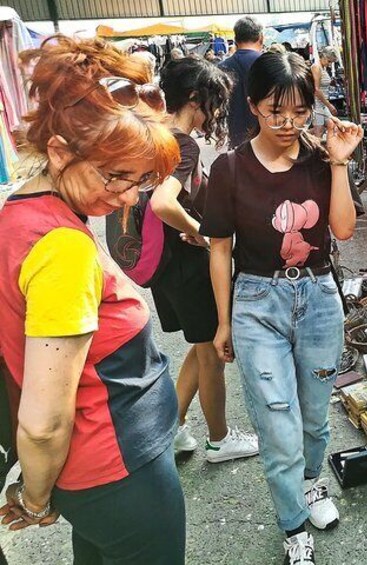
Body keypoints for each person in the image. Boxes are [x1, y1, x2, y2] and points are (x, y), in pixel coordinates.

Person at [0, 35, 185, 563]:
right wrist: (34, 500)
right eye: (115, 177)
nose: (128, 197)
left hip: (103, 472)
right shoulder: (61, 248)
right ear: (58, 152)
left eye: (142, 181)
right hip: (116, 471)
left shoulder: (24, 211)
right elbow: (42, 421)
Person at [201, 51, 362, 565]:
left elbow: (342, 230)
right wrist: (224, 320)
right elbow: (220, 248)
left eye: (299, 111)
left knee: (315, 418)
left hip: (316, 298)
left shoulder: (319, 158)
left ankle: (311, 485)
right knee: (277, 423)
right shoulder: (229, 168)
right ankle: (293, 525)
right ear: (252, 107)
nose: (288, 123)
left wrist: (339, 163)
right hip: (257, 304)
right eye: (276, 111)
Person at [153, 57, 259, 462]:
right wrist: (203, 233)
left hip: (162, 264)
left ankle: (173, 428)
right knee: (213, 353)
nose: (214, 113)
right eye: (213, 102)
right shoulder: (182, 142)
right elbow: (164, 202)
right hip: (186, 260)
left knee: (200, 348)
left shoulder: (152, 132)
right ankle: (220, 439)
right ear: (195, 97)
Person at [219, 16, 264, 148]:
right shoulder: (270, 64)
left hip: (236, 136)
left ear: (235, 40)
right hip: (268, 135)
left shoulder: (222, 67)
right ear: (261, 37)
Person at [310, 47, 339, 137]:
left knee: (331, 126)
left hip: (322, 105)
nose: (330, 64)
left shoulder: (322, 68)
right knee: (319, 131)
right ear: (324, 57)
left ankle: (301, 136)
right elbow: (316, 89)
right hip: (317, 106)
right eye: (329, 61)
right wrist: (329, 105)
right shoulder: (316, 67)